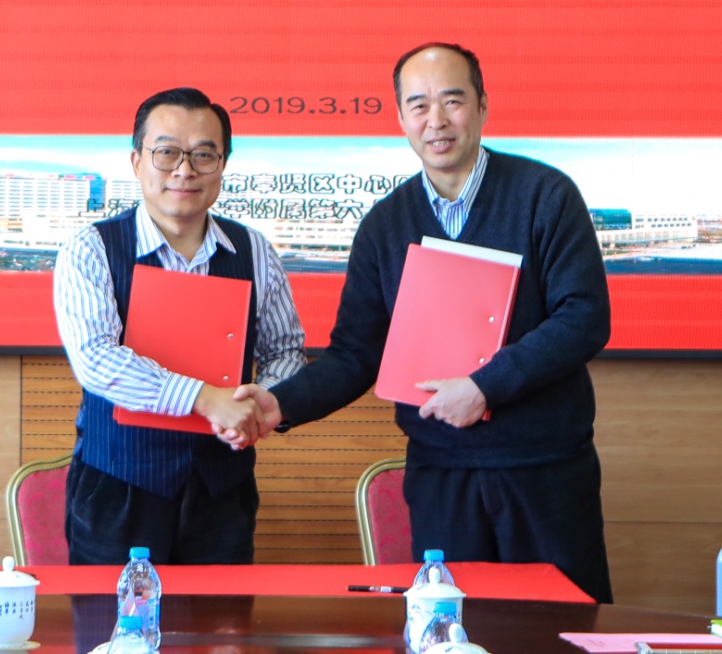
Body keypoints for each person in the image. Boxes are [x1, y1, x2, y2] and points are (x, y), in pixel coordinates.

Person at [228, 43, 613, 602]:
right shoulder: (385, 224)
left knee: (561, 626)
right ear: (401, 118)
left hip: (545, 469)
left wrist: (484, 386)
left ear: (482, 106)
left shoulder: (545, 196)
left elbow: (583, 316)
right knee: (447, 628)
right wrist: (280, 403)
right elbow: (356, 353)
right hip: (439, 475)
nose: (436, 120)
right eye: (419, 105)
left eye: (452, 101)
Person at [54, 86, 305, 565]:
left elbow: (286, 350)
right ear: (137, 162)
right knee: (112, 615)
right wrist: (205, 399)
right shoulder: (91, 248)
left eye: (203, 155)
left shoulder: (254, 249)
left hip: (222, 490)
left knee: (222, 615)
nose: (184, 170)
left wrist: (255, 407)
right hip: (120, 489)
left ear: (223, 165)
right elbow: (95, 359)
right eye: (166, 153)